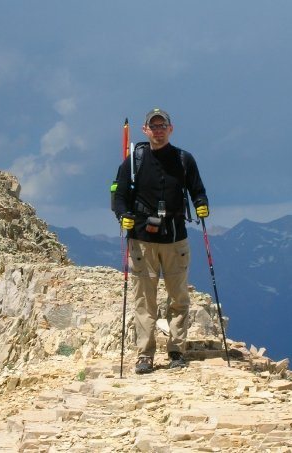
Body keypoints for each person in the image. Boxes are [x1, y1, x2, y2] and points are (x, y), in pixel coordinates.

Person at [113, 108, 209, 374]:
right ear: (145, 130)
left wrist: (201, 204)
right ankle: (145, 354)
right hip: (142, 239)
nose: (158, 130)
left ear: (170, 129)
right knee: (145, 299)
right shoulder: (135, 160)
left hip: (176, 236)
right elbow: (118, 195)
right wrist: (123, 216)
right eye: (153, 126)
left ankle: (177, 349)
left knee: (179, 297)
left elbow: (197, 189)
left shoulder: (184, 159)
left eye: (162, 126)